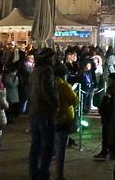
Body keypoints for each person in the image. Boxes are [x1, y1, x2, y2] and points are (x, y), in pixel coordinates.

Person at [28, 50, 59, 180]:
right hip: (44, 111)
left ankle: (33, 171)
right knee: (47, 143)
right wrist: (55, 105)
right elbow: (47, 90)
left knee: (36, 142)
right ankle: (43, 173)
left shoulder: (36, 70)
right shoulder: (47, 70)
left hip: (35, 110)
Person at [53, 62, 80, 179]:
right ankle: (59, 174)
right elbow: (74, 100)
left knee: (54, 144)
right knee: (61, 150)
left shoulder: (48, 83)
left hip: (51, 118)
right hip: (64, 118)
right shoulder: (64, 86)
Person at [93, 72, 115, 159]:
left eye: (110, 79)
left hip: (108, 115)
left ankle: (106, 151)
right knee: (109, 134)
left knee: (107, 134)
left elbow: (107, 102)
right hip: (110, 115)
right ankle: (110, 152)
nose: (108, 80)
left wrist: (102, 109)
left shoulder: (112, 89)